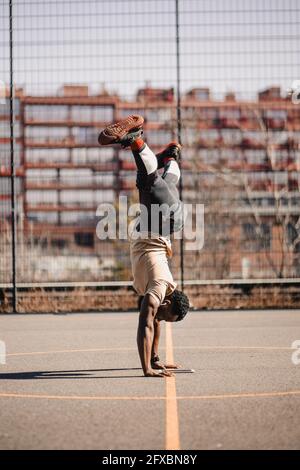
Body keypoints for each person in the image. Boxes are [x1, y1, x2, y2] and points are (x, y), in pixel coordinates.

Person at [98, 115, 190, 377]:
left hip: (157, 227)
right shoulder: (160, 287)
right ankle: (136, 140)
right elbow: (146, 323)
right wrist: (147, 368)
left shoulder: (160, 292)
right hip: (162, 225)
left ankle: (170, 158)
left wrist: (156, 357)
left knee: (166, 183)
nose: (159, 318)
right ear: (167, 302)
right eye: (165, 315)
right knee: (149, 181)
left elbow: (156, 321)